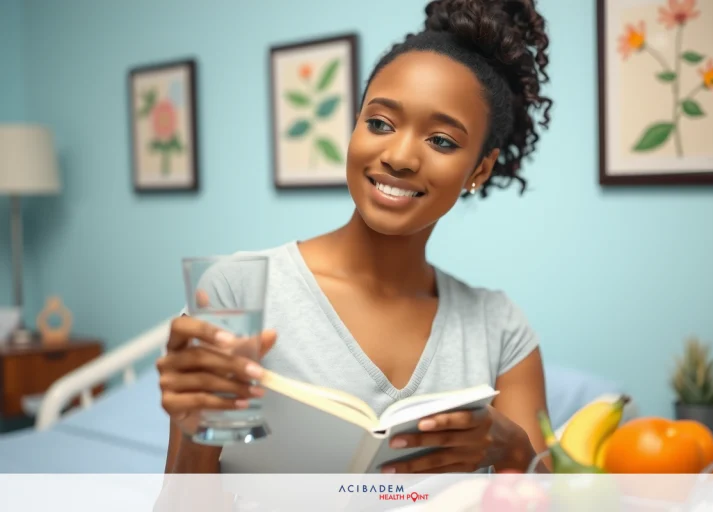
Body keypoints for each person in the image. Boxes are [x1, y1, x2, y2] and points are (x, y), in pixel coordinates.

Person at [157, 0, 553, 475]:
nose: (400, 156)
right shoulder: (237, 292)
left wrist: (515, 454)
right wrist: (192, 427)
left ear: (479, 170)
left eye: (442, 140)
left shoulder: (501, 330)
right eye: (380, 123)